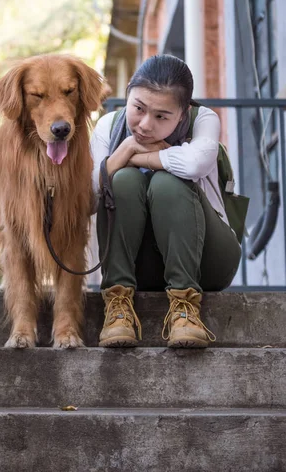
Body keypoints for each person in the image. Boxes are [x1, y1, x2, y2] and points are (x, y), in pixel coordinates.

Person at [90, 54, 242, 349]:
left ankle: (186, 310)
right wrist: (126, 148)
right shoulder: (109, 126)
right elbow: (92, 191)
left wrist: (139, 157)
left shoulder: (203, 119)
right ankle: (118, 305)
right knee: (123, 180)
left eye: (162, 116)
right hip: (138, 264)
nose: (145, 125)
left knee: (168, 181)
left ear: (183, 113)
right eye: (139, 109)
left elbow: (194, 165)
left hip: (208, 260)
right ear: (127, 96)